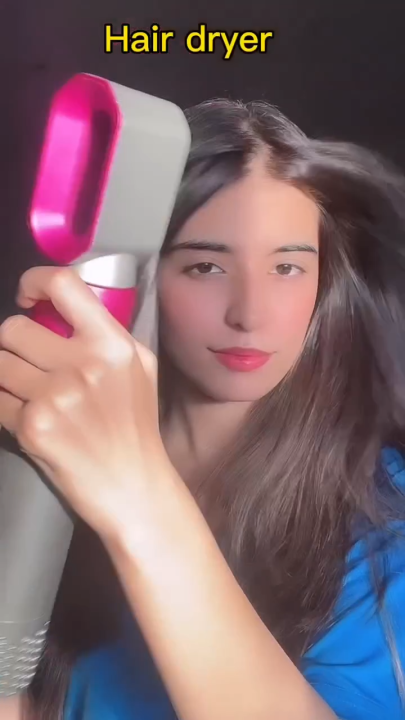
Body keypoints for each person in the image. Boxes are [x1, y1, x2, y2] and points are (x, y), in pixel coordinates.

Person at [0, 98, 405, 720]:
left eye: (287, 267)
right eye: (206, 265)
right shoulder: (47, 471)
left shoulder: (385, 522)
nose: (250, 313)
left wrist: (136, 494)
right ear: (142, 277)